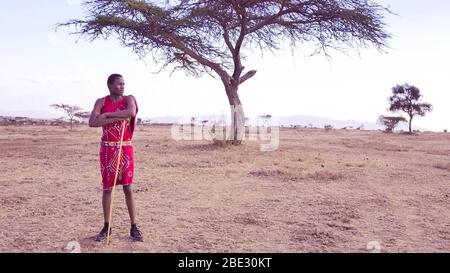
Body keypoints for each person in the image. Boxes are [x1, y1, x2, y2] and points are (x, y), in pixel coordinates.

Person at [88, 73, 143, 242]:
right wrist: (116, 116)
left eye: (123, 83)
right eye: (119, 84)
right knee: (107, 189)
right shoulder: (101, 102)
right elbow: (92, 122)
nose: (122, 86)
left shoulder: (129, 99)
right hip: (107, 150)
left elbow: (131, 112)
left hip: (125, 148)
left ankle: (134, 227)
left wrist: (106, 116)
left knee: (128, 187)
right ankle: (107, 226)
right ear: (110, 85)